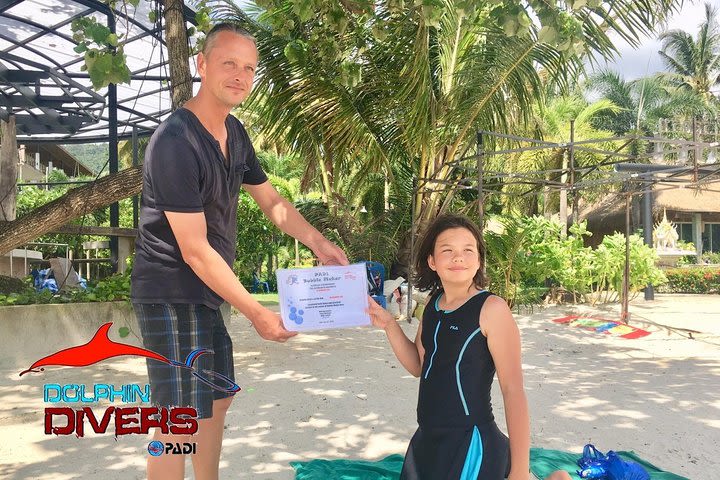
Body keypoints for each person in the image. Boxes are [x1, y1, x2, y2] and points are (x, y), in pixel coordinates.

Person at [131, 23, 348, 480]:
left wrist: (320, 244)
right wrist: (256, 311)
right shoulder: (175, 142)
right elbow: (193, 250)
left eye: (248, 67)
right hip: (170, 291)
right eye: (229, 63)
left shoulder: (235, 133)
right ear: (202, 64)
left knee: (217, 397)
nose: (240, 75)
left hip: (210, 291)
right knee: (178, 417)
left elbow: (272, 202)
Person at [367, 214, 570, 480]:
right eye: (447, 250)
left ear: (478, 261)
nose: (458, 258)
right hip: (427, 442)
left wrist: (518, 472)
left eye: (467, 250)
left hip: (471, 443)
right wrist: (389, 326)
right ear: (432, 260)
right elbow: (419, 366)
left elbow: (513, 391)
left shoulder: (492, 310)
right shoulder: (433, 304)